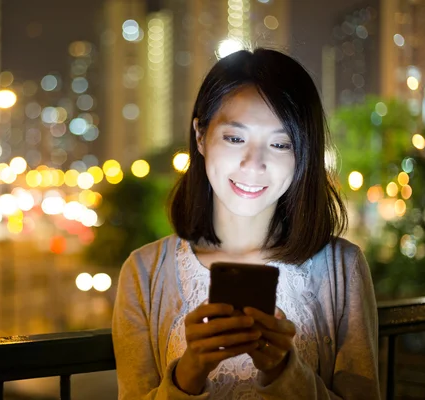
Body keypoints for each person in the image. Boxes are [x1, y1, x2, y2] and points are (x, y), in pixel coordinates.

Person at [111, 48, 381, 399]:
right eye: (235, 138)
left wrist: (284, 371)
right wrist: (189, 372)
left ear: (304, 155)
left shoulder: (342, 268)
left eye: (280, 143)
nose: (254, 164)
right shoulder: (144, 273)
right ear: (200, 136)